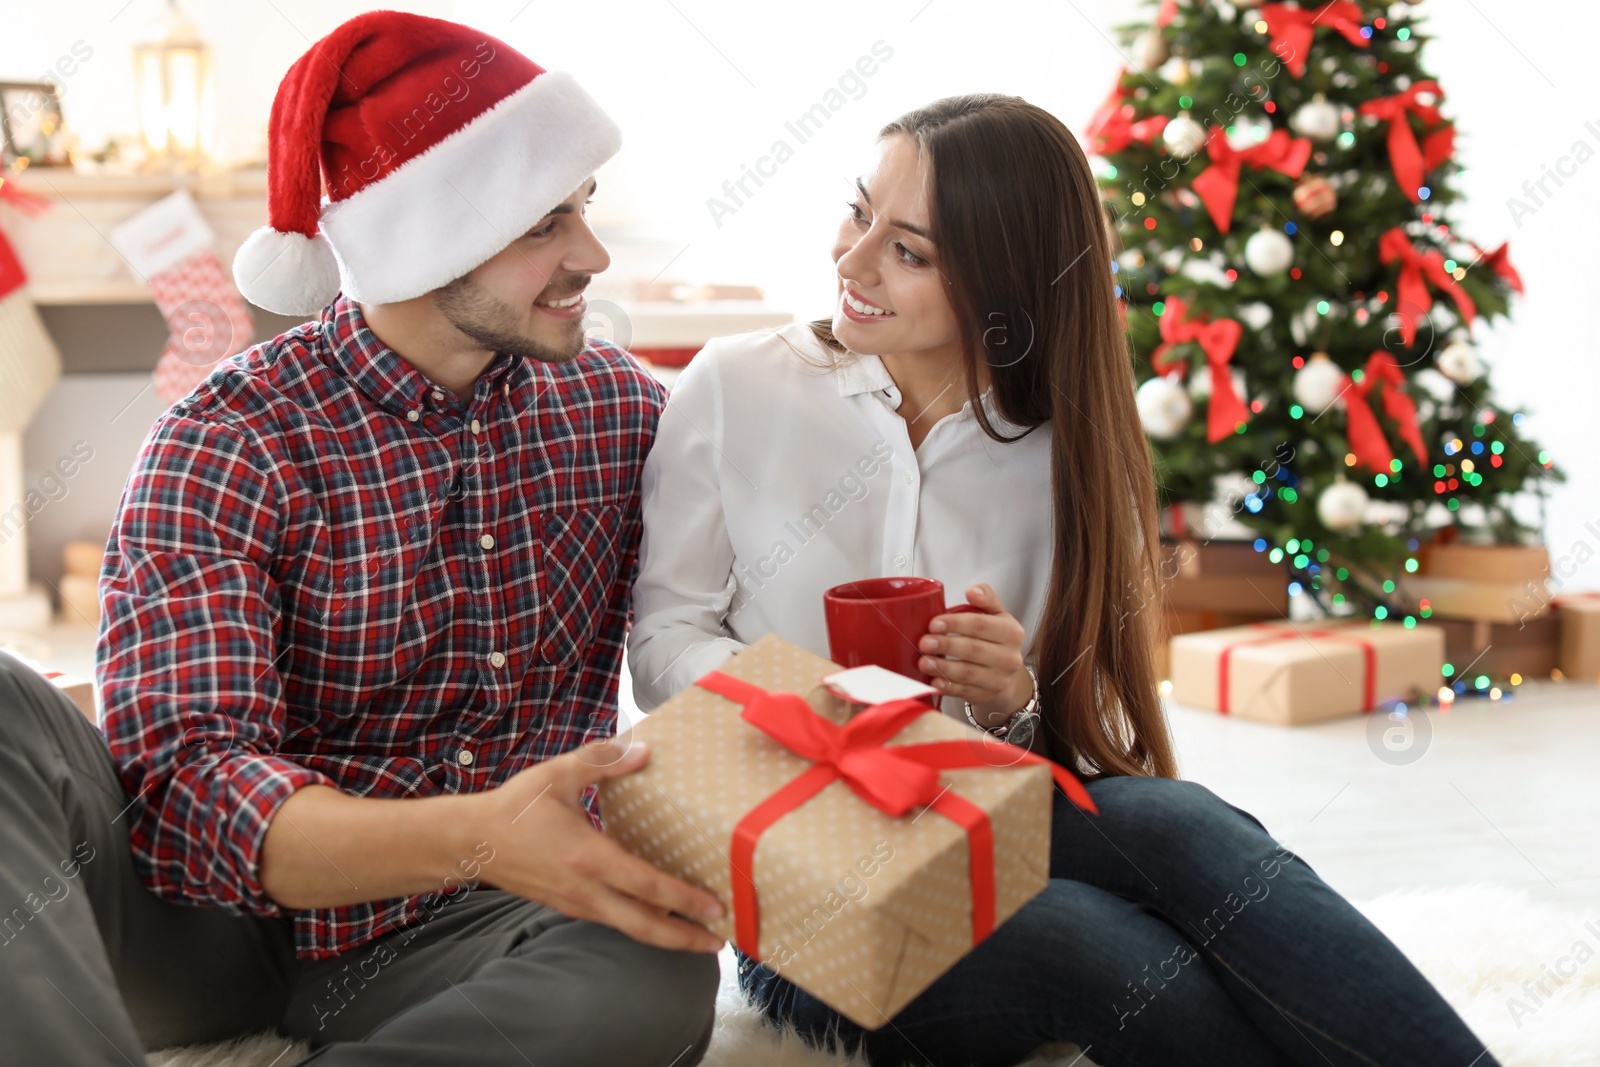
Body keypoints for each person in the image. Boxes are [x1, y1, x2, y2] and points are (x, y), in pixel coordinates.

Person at [627, 94, 1500, 1067]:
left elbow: (1086, 735)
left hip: (971, 818)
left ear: (1005, 287)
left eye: (908, 251)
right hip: (800, 873)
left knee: (1179, 820)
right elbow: (663, 640)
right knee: (1088, 941)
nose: (852, 259)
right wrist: (816, 708)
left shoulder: (1062, 451)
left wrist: (1007, 701)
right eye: (858, 210)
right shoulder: (738, 385)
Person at [0, 13, 722, 1066]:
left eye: (583, 209)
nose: (591, 256)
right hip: (209, 926)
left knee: (659, 963)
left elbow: (739, 602)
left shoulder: (619, 411)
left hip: (467, 925)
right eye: (541, 225)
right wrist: (481, 829)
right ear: (424, 242)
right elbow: (193, 792)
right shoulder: (227, 438)